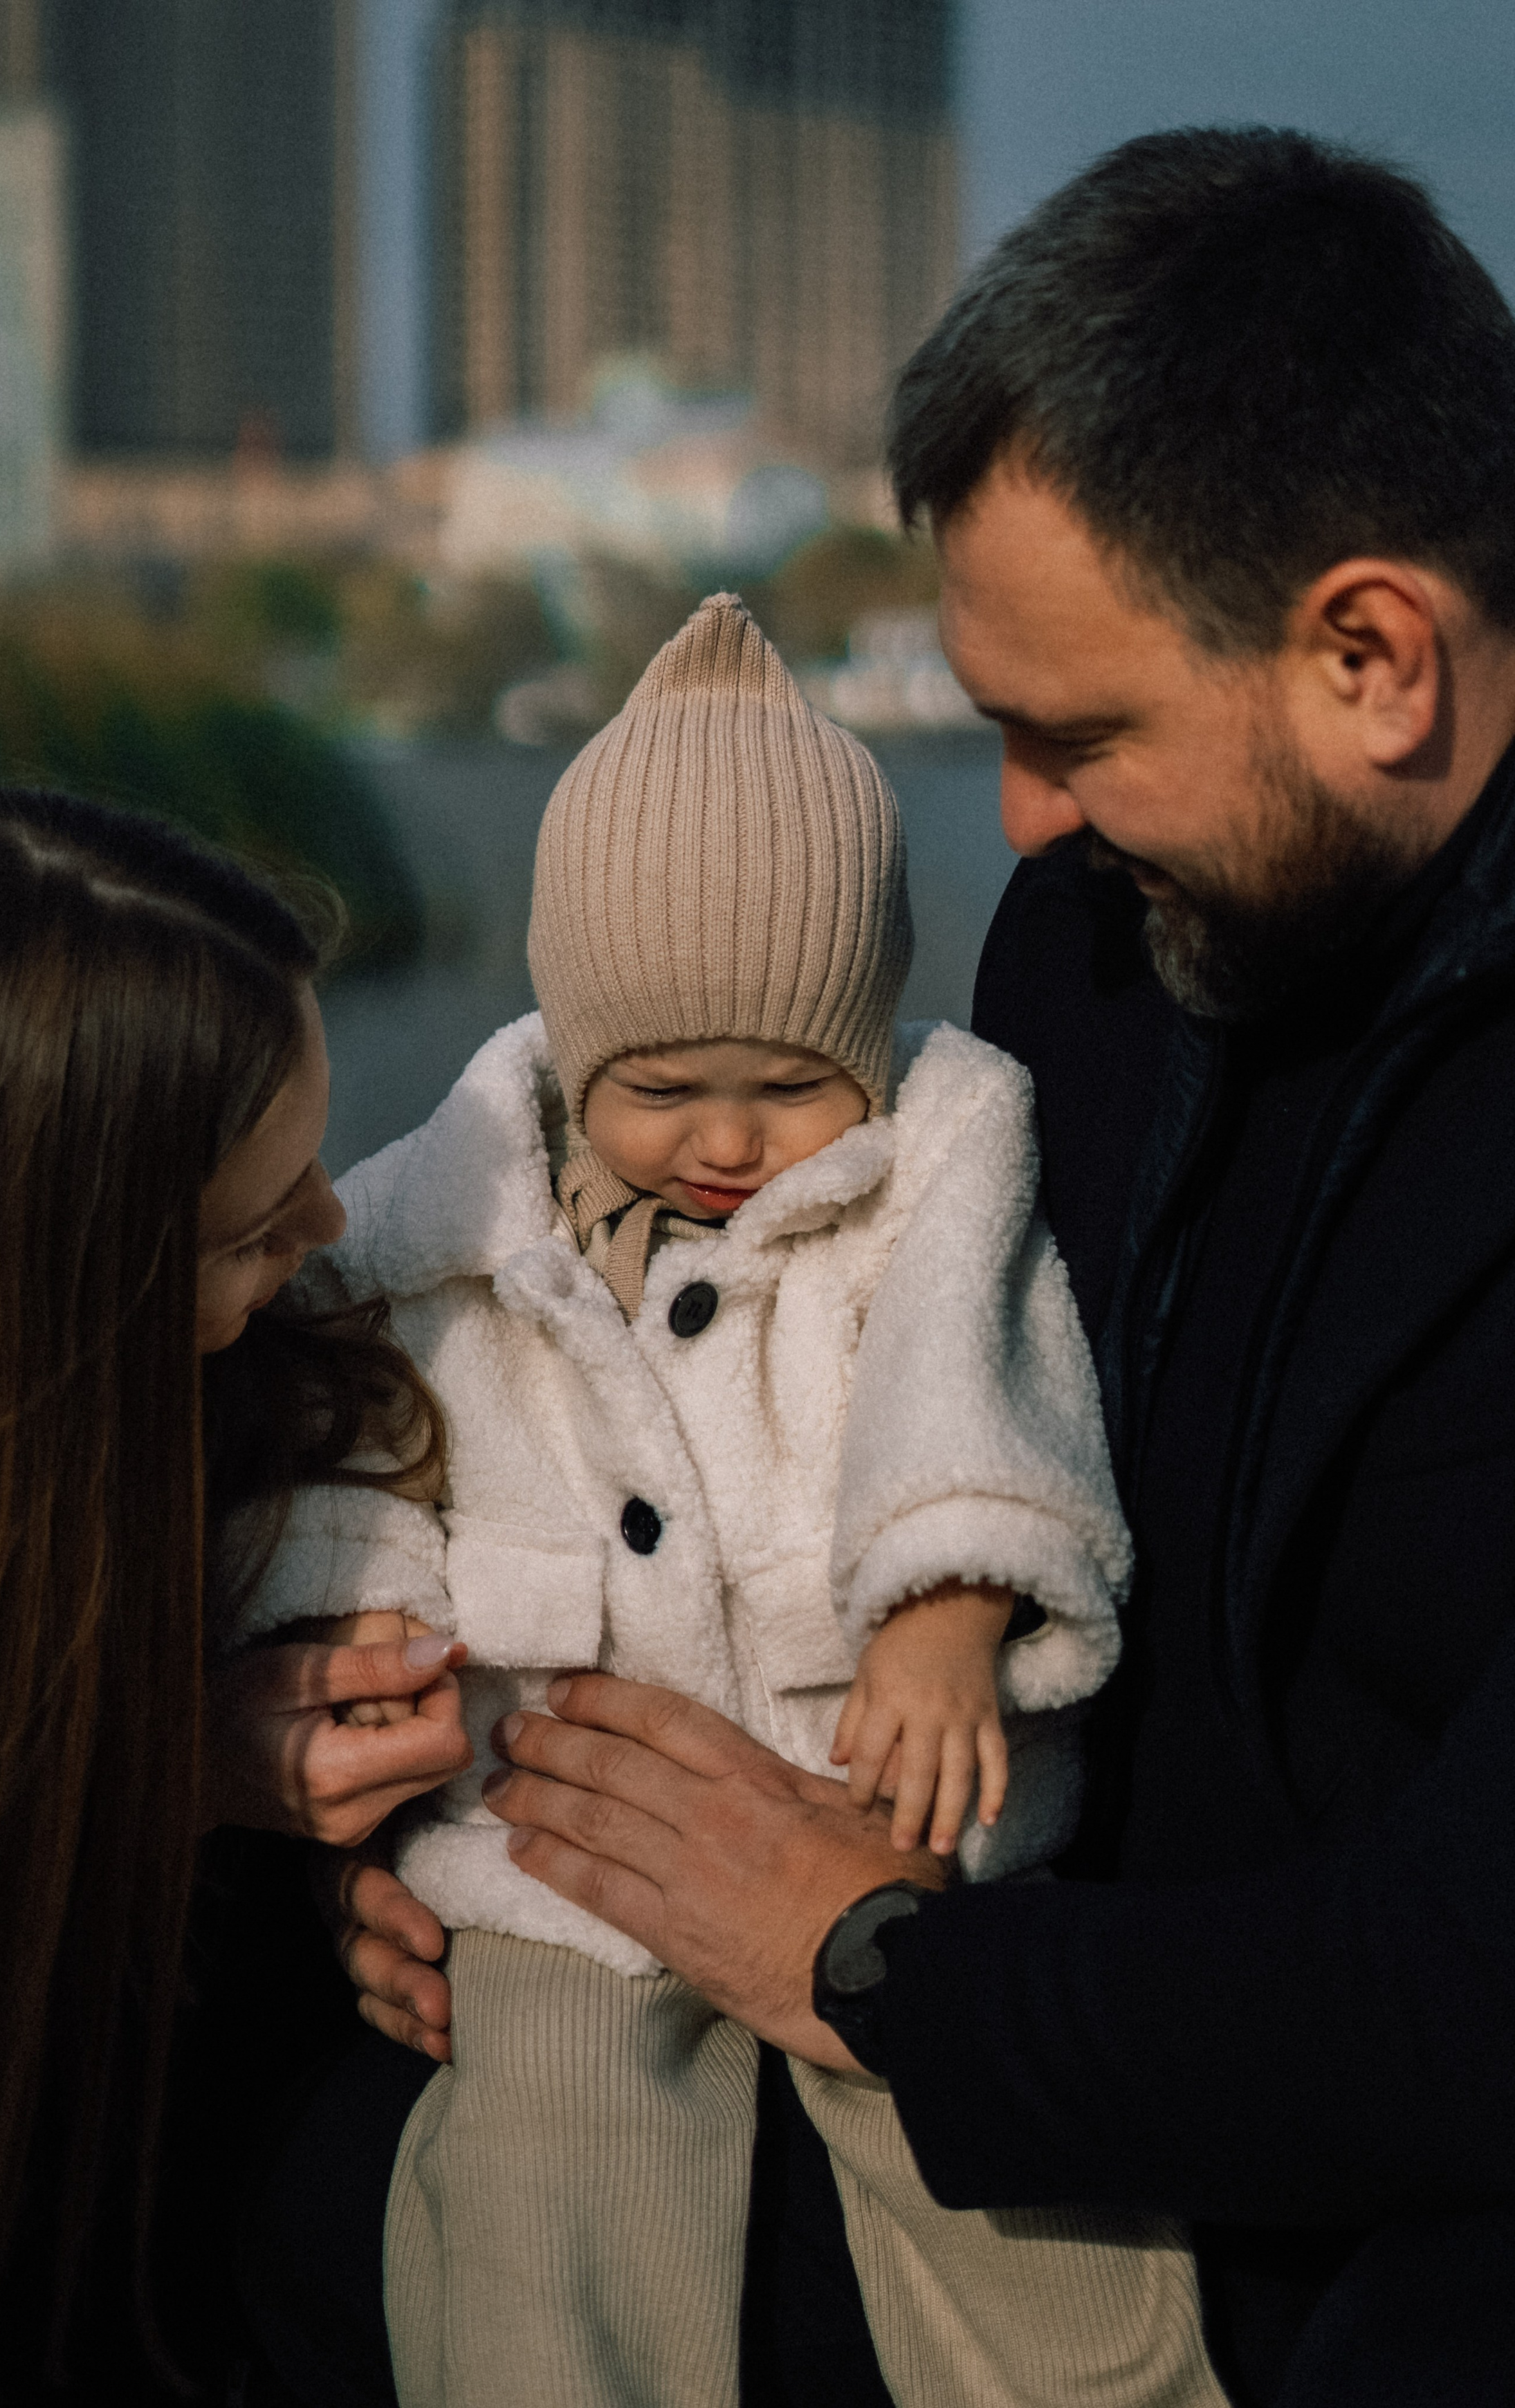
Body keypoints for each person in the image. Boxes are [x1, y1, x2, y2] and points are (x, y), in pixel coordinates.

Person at [351, 128, 1515, 2406]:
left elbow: (1468, 1986)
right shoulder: (1097, 945)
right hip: (1012, 2023)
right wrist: (460, 1816)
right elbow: (826, 1399)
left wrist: (870, 1957)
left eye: (1077, 735)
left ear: (1373, 654)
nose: (1021, 824)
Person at [236, 594, 1224, 2408]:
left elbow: (977, 1380)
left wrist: (946, 1611)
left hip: (870, 1804)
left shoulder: (932, 1168)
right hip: (561, 1835)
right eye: (661, 1088)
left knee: (1012, 2202)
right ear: (573, 1050)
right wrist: (341, 1650)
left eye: (787, 1085)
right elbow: (367, 1437)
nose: (722, 1140)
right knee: (544, 2190)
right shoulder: (457, 1219)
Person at [0, 783, 472, 2408]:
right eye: (254, 1229)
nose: (332, 1222)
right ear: (57, 1284)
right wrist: (171, 1776)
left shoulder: (264, 1408)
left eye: (318, 1150)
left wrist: (326, 1880)